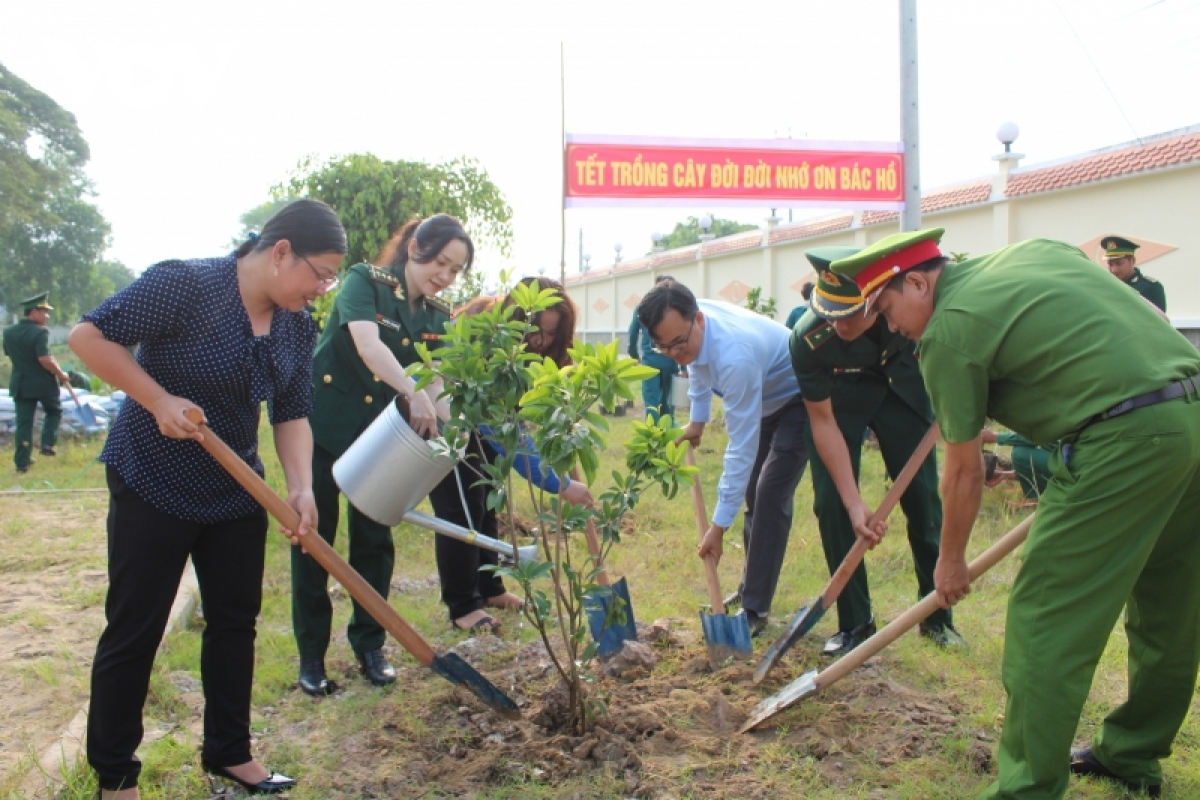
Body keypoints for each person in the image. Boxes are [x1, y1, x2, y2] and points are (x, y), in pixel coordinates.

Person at [833, 227, 1200, 798]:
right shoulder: (1033, 252)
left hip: (1124, 440)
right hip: (1188, 414)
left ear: (917, 281)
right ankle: (1132, 754)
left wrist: (949, 561)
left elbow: (961, 471)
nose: (889, 325)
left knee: (1045, 615)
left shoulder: (948, 330)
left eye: (886, 307)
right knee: (1169, 605)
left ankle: (1027, 788)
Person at [69, 199, 346, 799]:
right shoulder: (186, 285)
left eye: (331, 279)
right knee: (136, 626)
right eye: (319, 273)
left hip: (234, 486)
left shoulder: (297, 323)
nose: (323, 289)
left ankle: (230, 753)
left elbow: (293, 412)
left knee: (234, 624)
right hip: (151, 479)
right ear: (279, 253)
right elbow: (87, 336)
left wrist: (300, 485)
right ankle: (115, 774)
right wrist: (158, 399)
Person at [294, 214, 469, 696]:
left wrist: (458, 432)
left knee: (374, 540)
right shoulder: (364, 282)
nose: (445, 275)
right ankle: (312, 656)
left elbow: (438, 380)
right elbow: (369, 346)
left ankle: (370, 646)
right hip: (324, 426)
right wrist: (415, 392)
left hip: (380, 438)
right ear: (415, 247)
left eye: (455, 270)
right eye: (440, 261)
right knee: (314, 539)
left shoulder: (438, 314)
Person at [790, 248, 961, 657]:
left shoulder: (908, 308)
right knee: (831, 503)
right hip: (844, 395)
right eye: (831, 313)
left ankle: (936, 615)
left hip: (905, 391)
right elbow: (823, 422)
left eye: (851, 313)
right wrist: (854, 502)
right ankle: (855, 622)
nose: (839, 323)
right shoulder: (808, 340)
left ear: (876, 298)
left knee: (923, 501)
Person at [637, 279, 809, 636]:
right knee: (753, 496)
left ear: (698, 319)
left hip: (798, 396)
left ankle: (755, 608)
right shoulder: (688, 336)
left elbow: (740, 450)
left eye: (678, 343)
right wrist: (697, 423)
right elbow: (698, 367)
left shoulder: (735, 357)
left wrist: (717, 528)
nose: (674, 353)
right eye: (663, 347)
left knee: (770, 492)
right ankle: (751, 589)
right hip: (764, 397)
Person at [427, 276, 593, 632]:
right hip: (449, 424)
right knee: (461, 511)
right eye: (533, 329)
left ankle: (490, 588)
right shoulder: (482, 331)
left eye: (549, 334)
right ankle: (463, 605)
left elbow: (534, 418)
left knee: (487, 502)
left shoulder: (539, 356)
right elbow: (498, 425)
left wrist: (568, 451)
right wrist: (558, 483)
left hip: (486, 429)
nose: (539, 341)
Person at [3, 292, 69, 473]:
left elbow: (10, 354)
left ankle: (22, 462)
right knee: (54, 411)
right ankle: (47, 443)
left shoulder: (8, 332)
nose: (46, 316)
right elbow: (45, 359)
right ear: (33, 313)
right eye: (44, 312)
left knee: (24, 423)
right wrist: (61, 373)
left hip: (20, 383)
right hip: (42, 383)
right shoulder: (40, 332)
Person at [627, 275, 681, 423]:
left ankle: (652, 437)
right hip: (670, 361)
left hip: (650, 362)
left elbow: (632, 334)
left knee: (651, 402)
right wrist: (683, 367)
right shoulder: (675, 311)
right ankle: (668, 434)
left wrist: (634, 354)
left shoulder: (641, 308)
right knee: (668, 402)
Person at [1100, 235, 1166, 311]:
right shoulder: (1107, 287)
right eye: (1110, 264)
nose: (1114, 269)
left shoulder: (1151, 287)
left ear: (1132, 261)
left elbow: (1158, 320)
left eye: (1119, 264)